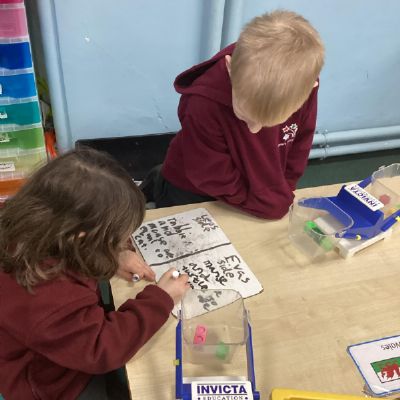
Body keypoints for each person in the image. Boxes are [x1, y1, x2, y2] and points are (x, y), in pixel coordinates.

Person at [0, 148, 190, 400]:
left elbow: (71, 259)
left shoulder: (34, 225)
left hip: (54, 343)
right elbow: (102, 349)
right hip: (49, 384)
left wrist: (112, 254)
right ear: (82, 236)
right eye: (116, 237)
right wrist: (160, 299)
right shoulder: (50, 299)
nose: (125, 240)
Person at [141, 10, 325, 219]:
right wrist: (261, 202)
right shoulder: (202, 103)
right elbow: (209, 172)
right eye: (245, 116)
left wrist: (283, 188)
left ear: (311, 88)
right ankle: (159, 182)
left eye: (268, 123)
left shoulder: (300, 87)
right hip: (192, 184)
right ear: (229, 68)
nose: (254, 130)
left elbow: (300, 144)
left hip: (249, 183)